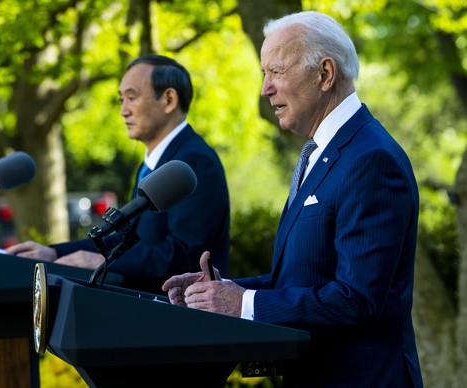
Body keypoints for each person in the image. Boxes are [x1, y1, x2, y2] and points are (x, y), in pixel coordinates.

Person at [162, 11, 423, 387]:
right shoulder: (320, 152)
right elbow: (305, 279)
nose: (265, 89)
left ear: (325, 74)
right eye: (264, 74)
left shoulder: (371, 159)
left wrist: (243, 305)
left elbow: (357, 299)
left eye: (276, 72)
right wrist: (221, 292)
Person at [6, 54, 230, 294]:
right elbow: (126, 242)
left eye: (131, 98)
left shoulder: (192, 163)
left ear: (168, 99)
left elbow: (186, 257)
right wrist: (55, 252)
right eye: (121, 99)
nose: (123, 111)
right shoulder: (154, 163)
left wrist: (105, 262)